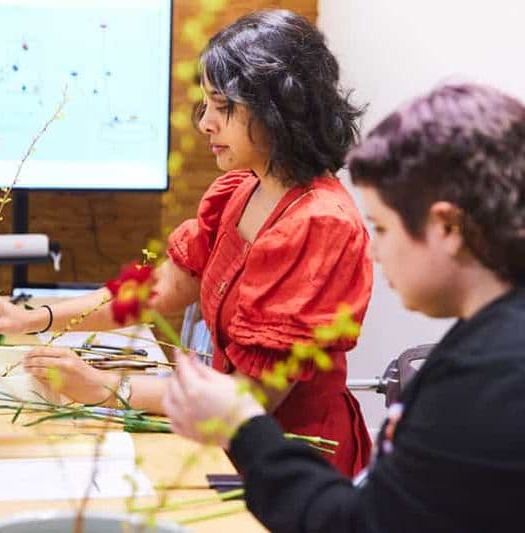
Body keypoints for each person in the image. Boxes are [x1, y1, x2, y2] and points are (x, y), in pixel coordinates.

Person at [0, 9, 373, 477]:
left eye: (221, 105)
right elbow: (162, 288)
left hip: (291, 467)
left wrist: (106, 387)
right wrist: (36, 317)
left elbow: (251, 399)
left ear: (277, 107)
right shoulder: (244, 189)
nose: (205, 123)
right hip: (223, 443)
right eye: (204, 104)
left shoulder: (319, 224)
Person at [162, 83, 525, 532]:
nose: (374, 250)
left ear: (447, 227)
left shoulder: (486, 377)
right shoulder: (489, 339)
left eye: (383, 228)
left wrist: (241, 424)